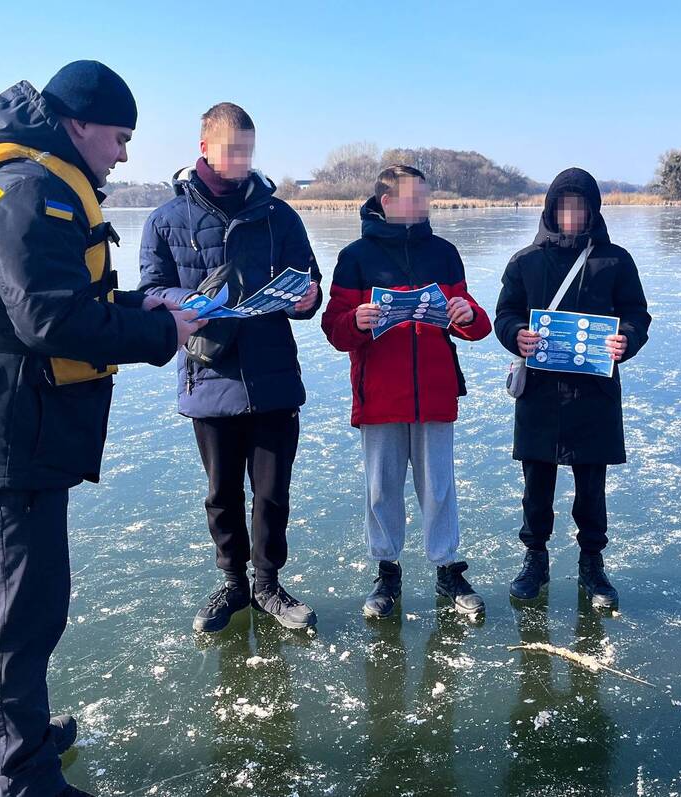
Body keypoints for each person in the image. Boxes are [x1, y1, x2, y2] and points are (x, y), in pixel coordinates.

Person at [0, 60, 204, 797]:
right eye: (119, 135)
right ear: (78, 124)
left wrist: (141, 308)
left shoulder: (22, 177)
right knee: (20, 611)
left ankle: (5, 738)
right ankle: (23, 775)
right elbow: (50, 320)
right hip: (6, 435)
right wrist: (162, 332)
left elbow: (55, 298)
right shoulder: (30, 189)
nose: (124, 152)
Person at [138, 103, 323, 632]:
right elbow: (151, 293)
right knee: (222, 492)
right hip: (209, 376)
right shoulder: (166, 220)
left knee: (272, 491)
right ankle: (234, 583)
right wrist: (195, 299)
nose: (241, 161)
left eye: (248, 151)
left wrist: (306, 297)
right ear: (205, 150)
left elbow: (309, 284)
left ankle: (268, 584)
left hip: (273, 377)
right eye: (231, 151)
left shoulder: (279, 216)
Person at [321, 165, 491, 620]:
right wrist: (353, 321)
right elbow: (333, 327)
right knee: (381, 489)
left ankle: (448, 570)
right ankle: (386, 571)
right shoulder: (355, 257)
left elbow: (475, 323)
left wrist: (466, 314)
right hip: (379, 395)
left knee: (439, 487)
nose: (424, 206)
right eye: (415, 198)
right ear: (387, 201)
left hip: (435, 392)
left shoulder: (445, 253)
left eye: (426, 198)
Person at [493, 167, 651, 610]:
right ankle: (535, 559)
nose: (572, 215)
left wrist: (628, 340)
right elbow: (504, 315)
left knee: (591, 489)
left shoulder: (615, 260)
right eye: (564, 206)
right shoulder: (525, 261)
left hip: (593, 399)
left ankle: (592, 565)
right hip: (541, 396)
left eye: (580, 207)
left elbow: (637, 315)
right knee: (536, 486)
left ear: (593, 211)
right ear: (551, 209)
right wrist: (516, 334)